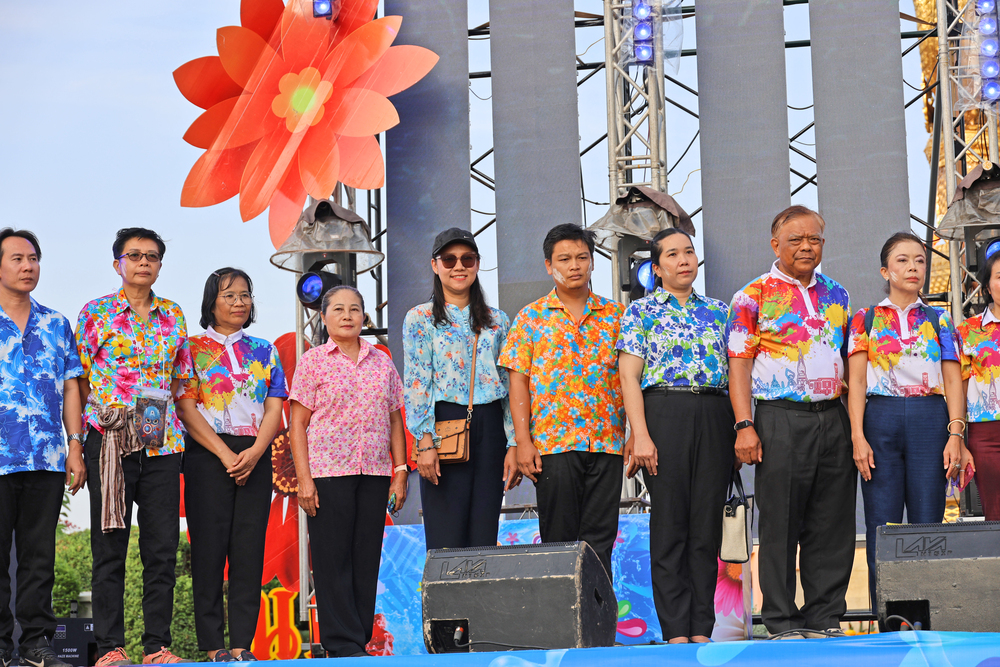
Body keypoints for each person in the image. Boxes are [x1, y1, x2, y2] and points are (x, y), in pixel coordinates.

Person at [727, 205, 854, 638]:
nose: (805, 246)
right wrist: (745, 425)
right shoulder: (753, 295)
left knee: (832, 522)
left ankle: (824, 618)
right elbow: (739, 366)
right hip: (779, 418)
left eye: (814, 239)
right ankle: (781, 621)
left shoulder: (838, 294)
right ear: (774, 244)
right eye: (796, 239)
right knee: (780, 521)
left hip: (832, 417)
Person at [75, 228, 193, 666]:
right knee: (110, 548)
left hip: (162, 446)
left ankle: (157, 647)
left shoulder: (173, 315)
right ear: (117, 264)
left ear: (160, 265)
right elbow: (79, 380)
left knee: (161, 549)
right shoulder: (96, 313)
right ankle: (109, 648)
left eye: (153, 256)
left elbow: (181, 379)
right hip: (109, 445)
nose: (144, 262)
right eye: (135, 255)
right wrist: (82, 436)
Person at [617, 228, 734, 644]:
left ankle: (702, 629)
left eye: (689, 251)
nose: (684, 259)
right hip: (663, 413)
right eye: (673, 254)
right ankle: (675, 633)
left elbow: (737, 376)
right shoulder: (641, 312)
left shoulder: (721, 311)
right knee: (670, 526)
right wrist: (641, 435)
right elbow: (629, 377)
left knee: (706, 527)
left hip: (715, 412)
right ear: (657, 266)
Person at [847, 232, 971, 609]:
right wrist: (857, 436)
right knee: (882, 525)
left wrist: (956, 434)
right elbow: (854, 382)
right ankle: (886, 617)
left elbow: (953, 380)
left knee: (927, 523)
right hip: (879, 418)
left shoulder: (941, 319)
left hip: (929, 421)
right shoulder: (864, 319)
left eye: (919, 260)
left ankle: (925, 614)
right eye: (902, 260)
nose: (913, 267)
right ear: (885, 270)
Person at [499, 223, 625, 578]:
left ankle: (599, 627)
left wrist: (634, 433)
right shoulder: (530, 317)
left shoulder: (617, 316)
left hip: (607, 444)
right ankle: (564, 631)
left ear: (592, 262)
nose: (574, 266)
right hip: (553, 446)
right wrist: (523, 441)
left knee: (600, 540)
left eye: (582, 257)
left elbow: (630, 379)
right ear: (548, 265)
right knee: (559, 542)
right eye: (565, 259)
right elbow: (517, 383)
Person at [288, 286, 408, 658]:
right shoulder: (313, 362)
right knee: (332, 559)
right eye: (338, 309)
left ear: (363, 317)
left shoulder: (381, 361)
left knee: (364, 557)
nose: (347, 315)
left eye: (354, 309)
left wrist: (400, 470)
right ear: (323, 317)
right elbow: (296, 425)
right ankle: (340, 645)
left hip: (373, 473)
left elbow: (394, 420)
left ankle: (359, 641)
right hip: (327, 473)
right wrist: (304, 480)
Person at [175, 269, 286, 662]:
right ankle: (213, 647)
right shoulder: (190, 348)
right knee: (208, 551)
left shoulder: (265, 349)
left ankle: (242, 646)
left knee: (248, 551)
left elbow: (275, 406)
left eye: (245, 295)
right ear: (211, 302)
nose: (239, 302)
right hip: (207, 455)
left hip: (255, 454)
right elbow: (186, 407)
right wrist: (224, 454)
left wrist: (256, 452)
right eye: (229, 295)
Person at [402, 227, 518, 550]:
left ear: (477, 265)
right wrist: (424, 442)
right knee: (445, 538)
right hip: (443, 424)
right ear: (434, 265)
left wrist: (514, 442)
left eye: (467, 258)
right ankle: (445, 602)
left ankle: (479, 601)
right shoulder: (420, 319)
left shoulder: (498, 321)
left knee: (484, 534)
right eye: (449, 259)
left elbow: (509, 386)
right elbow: (416, 383)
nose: (458, 266)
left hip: (492, 426)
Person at [0, 229, 84, 667]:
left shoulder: (56, 324)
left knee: (38, 556)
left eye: (33, 258)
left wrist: (74, 445)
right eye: (17, 258)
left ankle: (35, 644)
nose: (28, 266)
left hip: (47, 457)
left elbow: (72, 388)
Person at [958, 246, 1000, 520]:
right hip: (986, 434)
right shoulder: (967, 331)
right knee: (995, 513)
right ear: (986, 285)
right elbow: (958, 390)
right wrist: (959, 440)